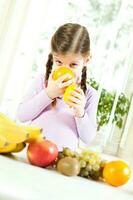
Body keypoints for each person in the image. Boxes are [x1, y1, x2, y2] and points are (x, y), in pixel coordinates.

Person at [17, 23, 99, 151]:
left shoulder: (89, 94)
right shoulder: (42, 82)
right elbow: (22, 115)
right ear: (52, 57)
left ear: (86, 60)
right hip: (32, 153)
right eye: (59, 62)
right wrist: (48, 94)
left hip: (62, 162)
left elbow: (88, 138)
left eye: (73, 65)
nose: (65, 70)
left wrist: (80, 113)